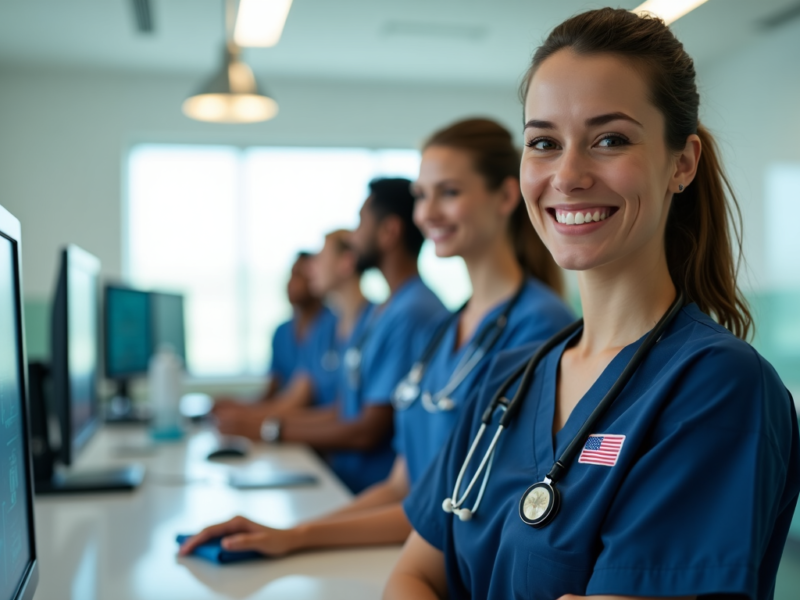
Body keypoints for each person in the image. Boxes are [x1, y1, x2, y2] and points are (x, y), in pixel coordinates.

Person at [386, 9, 800, 600]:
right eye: (544, 143)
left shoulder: (717, 387)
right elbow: (413, 573)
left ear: (681, 163)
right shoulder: (507, 381)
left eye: (610, 139)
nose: (569, 174)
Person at [178, 119, 575, 559]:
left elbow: (466, 505)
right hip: (413, 552)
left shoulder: (538, 326)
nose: (426, 214)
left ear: (504, 196)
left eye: (449, 192)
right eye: (422, 196)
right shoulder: (446, 331)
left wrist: (299, 537)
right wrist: (286, 532)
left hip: (466, 571)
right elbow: (402, 487)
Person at [214, 230, 371, 428]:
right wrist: (244, 416)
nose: (311, 269)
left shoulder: (374, 323)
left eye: (320, 258)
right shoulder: (322, 332)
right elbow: (295, 396)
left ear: (346, 262)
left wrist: (260, 427)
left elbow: (347, 414)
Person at [213, 252, 336, 411]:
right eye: (291, 275)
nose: (291, 283)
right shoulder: (281, 333)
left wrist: (245, 415)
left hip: (313, 420)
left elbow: (301, 399)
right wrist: (240, 407)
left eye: (300, 275)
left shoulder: (333, 326)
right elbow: (271, 393)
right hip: (285, 417)